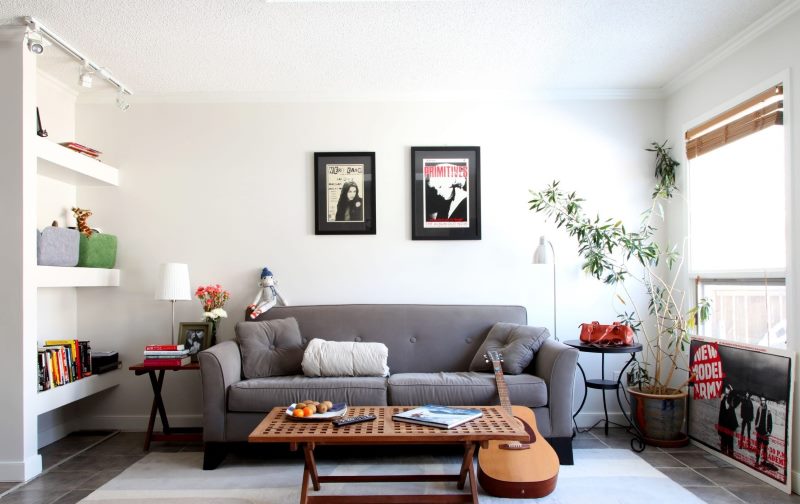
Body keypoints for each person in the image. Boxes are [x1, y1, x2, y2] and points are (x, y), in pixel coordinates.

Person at [717, 383, 739, 457]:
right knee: (724, 442)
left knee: (730, 443)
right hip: (724, 424)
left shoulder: (732, 399)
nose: (728, 390)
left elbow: (737, 399)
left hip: (730, 425)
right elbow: (722, 412)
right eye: (727, 388)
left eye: (729, 389)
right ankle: (723, 455)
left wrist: (733, 391)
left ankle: (730, 456)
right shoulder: (723, 397)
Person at [754, 395, 773, 466]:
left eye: (763, 400)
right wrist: (756, 427)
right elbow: (757, 418)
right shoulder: (759, 409)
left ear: (765, 401)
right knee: (758, 447)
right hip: (759, 431)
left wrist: (769, 431)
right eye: (761, 400)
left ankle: (764, 461)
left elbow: (770, 422)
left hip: (765, 433)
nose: (762, 402)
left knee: (765, 448)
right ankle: (757, 460)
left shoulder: (768, 411)